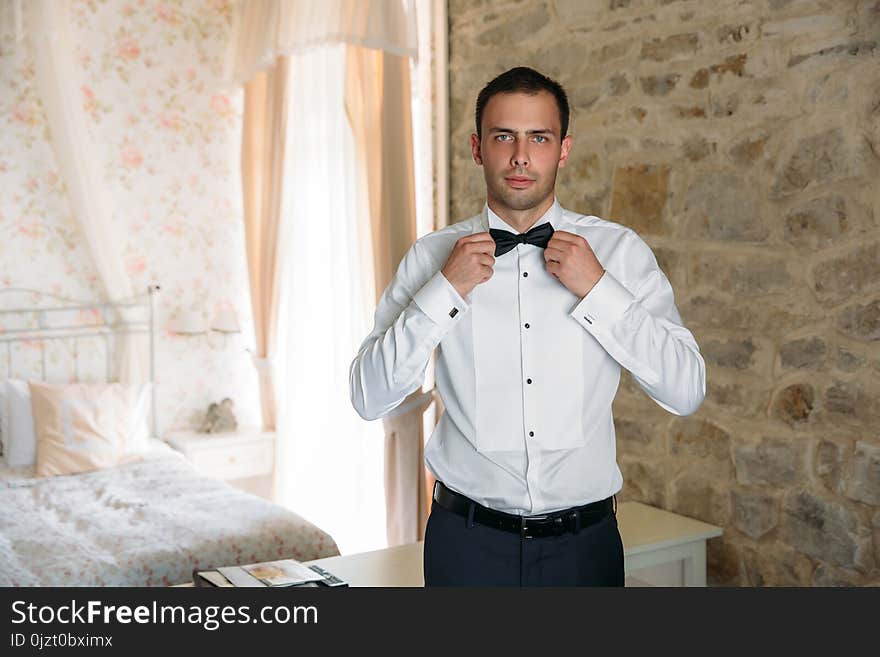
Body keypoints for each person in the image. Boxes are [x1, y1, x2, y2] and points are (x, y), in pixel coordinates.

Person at [349, 66, 706, 586]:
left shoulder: (619, 253)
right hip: (464, 545)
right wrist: (442, 292)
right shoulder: (431, 258)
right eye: (504, 137)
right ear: (477, 148)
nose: (521, 156)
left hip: (587, 548)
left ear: (562, 149)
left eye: (539, 138)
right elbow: (368, 397)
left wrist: (600, 290)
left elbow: (686, 389)